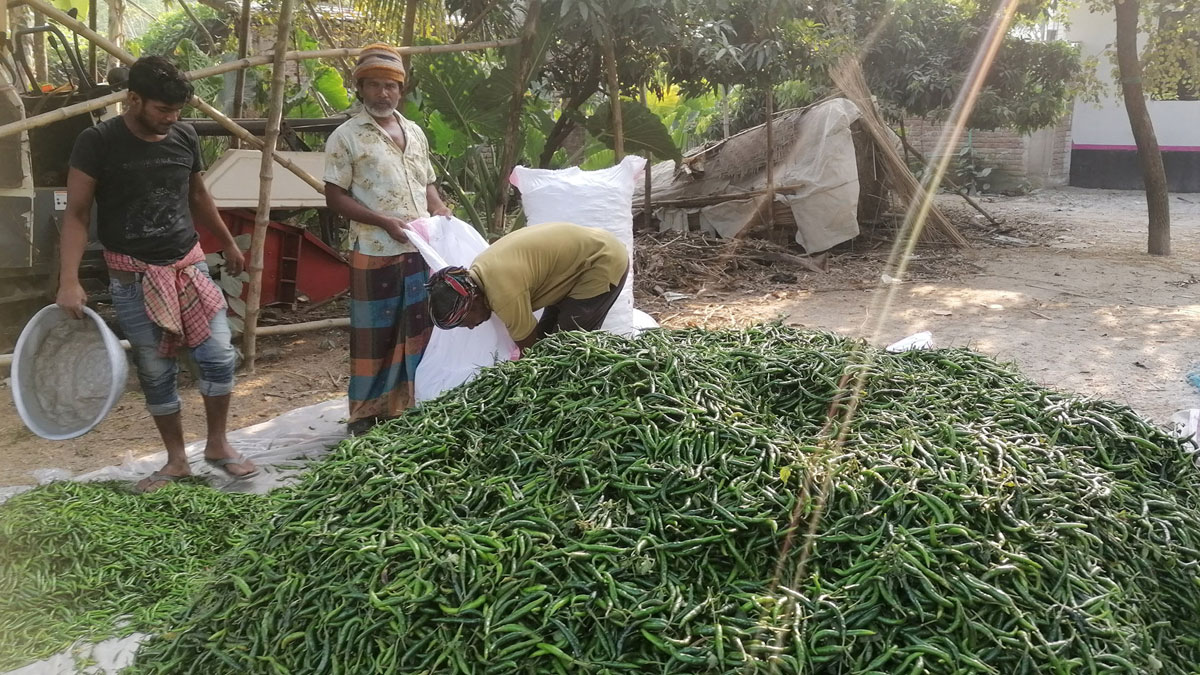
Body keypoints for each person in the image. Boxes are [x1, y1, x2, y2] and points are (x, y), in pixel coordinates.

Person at [56, 55, 257, 492]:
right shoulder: (97, 142)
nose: (171, 119)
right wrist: (68, 280)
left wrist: (225, 242)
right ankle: (176, 460)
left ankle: (218, 446)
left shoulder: (182, 135)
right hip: (133, 275)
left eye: (177, 112)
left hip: (189, 264)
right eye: (162, 110)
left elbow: (198, 194)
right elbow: (76, 213)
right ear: (133, 99)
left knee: (218, 356)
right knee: (154, 368)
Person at [324, 43, 452, 436]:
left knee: (417, 330)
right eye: (375, 86)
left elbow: (425, 182)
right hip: (375, 249)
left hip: (418, 248)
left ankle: (408, 404)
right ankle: (364, 413)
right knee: (373, 335)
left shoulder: (413, 132)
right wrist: (383, 220)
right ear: (360, 88)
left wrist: (441, 209)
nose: (383, 93)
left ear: (401, 90)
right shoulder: (346, 137)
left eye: (390, 86)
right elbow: (335, 196)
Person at [426, 222, 629, 352]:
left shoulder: (503, 295)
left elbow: (530, 351)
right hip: (574, 270)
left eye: (464, 322)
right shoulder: (479, 271)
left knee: (566, 349)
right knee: (549, 342)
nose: (470, 327)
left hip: (600, 262)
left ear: (474, 301)